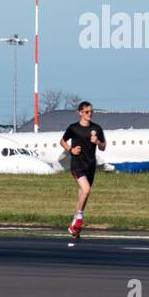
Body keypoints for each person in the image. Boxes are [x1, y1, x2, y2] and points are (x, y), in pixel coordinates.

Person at [60, 100, 105, 236]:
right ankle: (79, 217)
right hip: (77, 165)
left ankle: (74, 225)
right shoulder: (73, 128)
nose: (89, 114)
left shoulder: (97, 128)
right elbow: (62, 141)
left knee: (83, 194)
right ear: (80, 113)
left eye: (91, 111)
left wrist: (96, 141)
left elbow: (103, 146)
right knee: (86, 189)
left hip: (90, 165)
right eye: (86, 112)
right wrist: (71, 149)